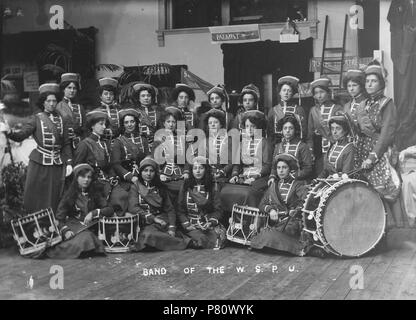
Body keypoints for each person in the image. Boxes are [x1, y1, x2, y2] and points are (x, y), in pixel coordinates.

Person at [3, 83, 72, 214]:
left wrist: (69, 163)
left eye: (54, 101)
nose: (52, 104)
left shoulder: (62, 119)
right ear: (43, 102)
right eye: (49, 101)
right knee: (37, 194)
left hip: (57, 162)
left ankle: (55, 221)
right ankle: (37, 221)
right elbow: (20, 136)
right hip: (39, 163)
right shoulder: (36, 119)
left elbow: (66, 143)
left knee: (55, 193)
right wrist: (9, 131)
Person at [46, 163, 114, 259]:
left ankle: (85, 249)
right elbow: (59, 219)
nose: (86, 180)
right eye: (83, 176)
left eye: (89, 177)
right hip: (75, 228)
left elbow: (109, 209)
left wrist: (93, 213)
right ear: (76, 177)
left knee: (89, 236)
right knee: (85, 238)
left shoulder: (95, 193)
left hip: (90, 227)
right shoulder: (69, 195)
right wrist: (66, 231)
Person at [250, 153, 312, 256]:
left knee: (268, 235)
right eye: (278, 168)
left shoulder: (297, 184)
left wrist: (295, 210)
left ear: (290, 169)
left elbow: (305, 202)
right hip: (275, 222)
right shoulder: (274, 185)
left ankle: (286, 245)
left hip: (291, 223)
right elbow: (262, 204)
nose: (281, 170)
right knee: (266, 232)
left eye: (284, 167)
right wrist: (270, 209)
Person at [357, 62, 400, 202]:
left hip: (379, 153)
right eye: (367, 81)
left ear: (381, 84)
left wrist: (372, 157)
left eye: (374, 81)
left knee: (380, 190)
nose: (369, 84)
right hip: (362, 151)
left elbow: (386, 134)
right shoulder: (364, 104)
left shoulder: (387, 104)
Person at [128, 157, 191, 250]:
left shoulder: (160, 187)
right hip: (146, 222)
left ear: (155, 172)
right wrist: (153, 218)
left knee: (166, 233)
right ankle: (183, 244)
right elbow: (133, 208)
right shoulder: (135, 187)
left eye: (151, 171)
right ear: (141, 172)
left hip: (162, 221)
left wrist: (172, 228)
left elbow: (170, 209)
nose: (148, 174)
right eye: (145, 171)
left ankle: (173, 241)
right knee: (148, 235)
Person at [74, 110, 129, 216]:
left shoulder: (105, 143)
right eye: (101, 124)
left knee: (124, 193)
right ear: (92, 126)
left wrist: (113, 177)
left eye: (105, 124)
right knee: (116, 197)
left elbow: (110, 165)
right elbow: (78, 168)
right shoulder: (85, 144)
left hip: (107, 180)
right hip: (92, 183)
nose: (104, 127)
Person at [177, 156, 227, 249]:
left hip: (206, 223)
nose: (198, 171)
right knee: (201, 239)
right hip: (191, 224)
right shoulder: (186, 185)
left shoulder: (212, 186)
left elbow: (218, 210)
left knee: (218, 239)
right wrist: (187, 224)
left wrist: (211, 222)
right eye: (195, 168)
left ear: (206, 170)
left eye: (201, 168)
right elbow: (180, 209)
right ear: (191, 171)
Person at [227, 110, 270, 207]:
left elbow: (268, 165)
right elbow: (237, 164)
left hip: (261, 177)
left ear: (259, 127)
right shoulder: (242, 143)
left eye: (253, 126)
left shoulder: (264, 143)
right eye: (247, 126)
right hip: (245, 175)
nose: (249, 129)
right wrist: (235, 175)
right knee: (227, 190)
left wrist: (255, 177)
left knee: (248, 193)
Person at [306, 78, 343, 177]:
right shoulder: (313, 111)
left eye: (321, 92)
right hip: (319, 151)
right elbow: (309, 134)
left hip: (335, 147)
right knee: (320, 177)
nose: (319, 95)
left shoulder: (337, 108)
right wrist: (311, 151)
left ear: (327, 92)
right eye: (316, 93)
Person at [152, 107, 190, 201]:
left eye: (173, 122)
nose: (171, 124)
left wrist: (186, 172)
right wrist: (160, 174)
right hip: (164, 175)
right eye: (168, 122)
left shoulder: (182, 139)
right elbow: (154, 161)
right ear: (164, 123)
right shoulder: (158, 140)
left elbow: (188, 160)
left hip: (180, 175)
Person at [111, 108, 150, 191]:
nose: (129, 124)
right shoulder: (118, 141)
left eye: (132, 121)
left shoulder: (143, 139)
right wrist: (129, 176)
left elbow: (148, 159)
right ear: (123, 124)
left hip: (144, 176)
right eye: (126, 122)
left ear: (136, 122)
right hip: (126, 179)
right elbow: (116, 164)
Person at [268, 114, 313, 184]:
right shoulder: (278, 146)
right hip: (281, 181)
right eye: (285, 128)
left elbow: (308, 169)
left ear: (295, 130)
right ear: (282, 130)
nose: (287, 131)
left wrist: (293, 176)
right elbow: (274, 166)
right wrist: (272, 177)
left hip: (298, 181)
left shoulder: (303, 146)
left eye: (291, 128)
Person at [267, 76, 307, 145]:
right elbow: (270, 134)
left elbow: (303, 133)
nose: (286, 93)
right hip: (277, 146)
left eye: (289, 91)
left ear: (292, 93)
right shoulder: (273, 110)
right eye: (284, 90)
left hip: (294, 145)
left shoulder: (298, 109)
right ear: (279, 92)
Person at [318, 111, 356, 178]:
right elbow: (326, 170)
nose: (334, 132)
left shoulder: (349, 148)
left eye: (338, 128)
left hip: (343, 184)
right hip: (330, 181)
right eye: (332, 129)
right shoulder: (333, 145)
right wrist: (317, 180)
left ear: (345, 130)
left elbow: (347, 174)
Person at [204, 108, 234, 187]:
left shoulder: (228, 141)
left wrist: (221, 172)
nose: (213, 125)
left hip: (224, 176)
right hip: (207, 175)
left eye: (216, 122)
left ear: (221, 124)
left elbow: (231, 162)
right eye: (210, 123)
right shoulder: (204, 141)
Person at [56, 73, 86, 151]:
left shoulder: (80, 108)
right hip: (64, 146)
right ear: (63, 89)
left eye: (74, 88)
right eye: (69, 88)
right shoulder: (58, 107)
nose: (72, 91)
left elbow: (85, 128)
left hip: (79, 145)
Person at [132, 82, 162, 146]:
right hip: (139, 144)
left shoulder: (158, 113)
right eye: (143, 96)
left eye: (148, 95)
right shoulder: (134, 112)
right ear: (138, 98)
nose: (146, 98)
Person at [343, 69, 367, 144]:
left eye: (354, 85)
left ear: (361, 86)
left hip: (365, 142)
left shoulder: (366, 103)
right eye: (349, 86)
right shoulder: (346, 106)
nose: (351, 89)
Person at [94, 77, 121, 141]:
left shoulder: (119, 111)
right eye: (105, 94)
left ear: (114, 96)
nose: (108, 96)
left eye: (111, 94)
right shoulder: (95, 112)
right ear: (101, 96)